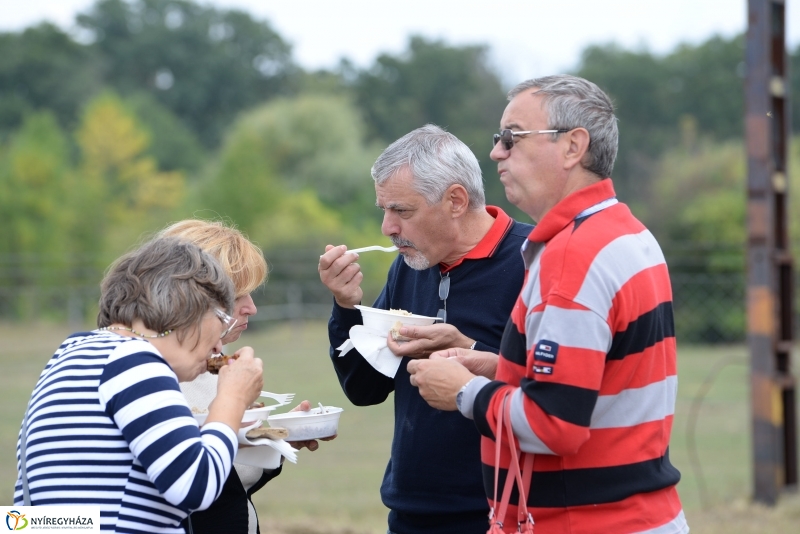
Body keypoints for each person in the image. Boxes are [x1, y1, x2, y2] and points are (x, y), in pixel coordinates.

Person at [407, 75, 688, 533]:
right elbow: (594, 384)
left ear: (573, 147)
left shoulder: (572, 255)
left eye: (512, 137)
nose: (497, 151)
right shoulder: (626, 231)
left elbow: (554, 423)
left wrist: (461, 390)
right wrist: (501, 368)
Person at [318, 124, 532, 534]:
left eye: (402, 211)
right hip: (411, 513)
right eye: (385, 210)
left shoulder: (533, 261)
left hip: (503, 514)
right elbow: (365, 389)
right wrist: (346, 308)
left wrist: (469, 348)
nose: (387, 227)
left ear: (455, 200)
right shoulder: (410, 265)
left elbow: (555, 390)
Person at [14, 236, 264, 533]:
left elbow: (38, 518)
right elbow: (195, 487)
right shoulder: (137, 361)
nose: (219, 343)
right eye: (222, 316)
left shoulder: (73, 350)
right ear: (187, 304)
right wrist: (232, 398)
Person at [160, 219, 331, 534]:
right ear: (191, 296)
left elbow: (228, 480)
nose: (251, 308)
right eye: (236, 296)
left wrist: (278, 438)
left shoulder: (213, 365)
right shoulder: (158, 377)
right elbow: (194, 484)